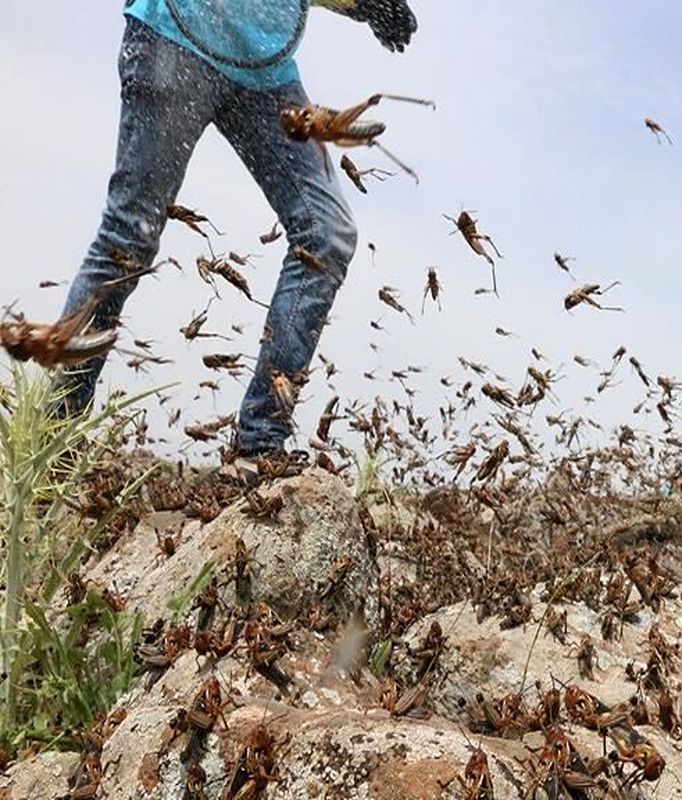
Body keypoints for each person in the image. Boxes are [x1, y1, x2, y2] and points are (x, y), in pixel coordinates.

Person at [52, 0, 417, 467]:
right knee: (129, 237)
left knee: (326, 234)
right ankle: (53, 444)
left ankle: (259, 446)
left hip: (264, 71)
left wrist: (362, 5)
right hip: (174, 37)